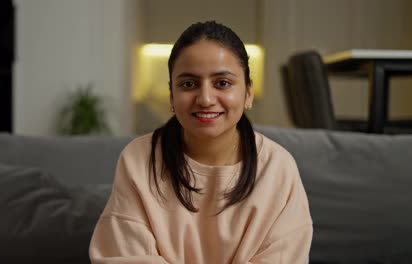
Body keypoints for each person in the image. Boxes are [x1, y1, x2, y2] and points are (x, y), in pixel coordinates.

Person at [89, 21, 313, 263]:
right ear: (172, 96)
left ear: (248, 93)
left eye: (222, 83)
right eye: (189, 84)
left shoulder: (278, 167)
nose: (205, 99)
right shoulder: (139, 158)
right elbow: (126, 256)